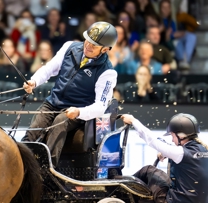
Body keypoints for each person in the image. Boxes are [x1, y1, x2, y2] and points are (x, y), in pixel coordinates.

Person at [22, 21, 118, 167]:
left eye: (94, 45)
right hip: (53, 103)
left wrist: (79, 111)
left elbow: (100, 106)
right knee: (32, 132)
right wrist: (34, 81)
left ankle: (48, 169)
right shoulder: (69, 47)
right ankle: (22, 165)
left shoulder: (108, 72)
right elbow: (49, 69)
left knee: (59, 124)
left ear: (104, 49)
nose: (88, 45)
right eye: (87, 40)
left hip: (76, 111)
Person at [121, 113, 208, 203]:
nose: (172, 140)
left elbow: (152, 141)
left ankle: (120, 191)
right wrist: (167, 153)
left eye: (172, 136)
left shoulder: (180, 153)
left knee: (148, 170)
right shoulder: (203, 150)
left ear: (181, 136)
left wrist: (133, 121)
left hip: (175, 201)